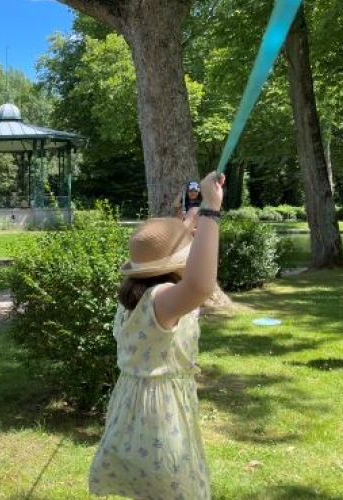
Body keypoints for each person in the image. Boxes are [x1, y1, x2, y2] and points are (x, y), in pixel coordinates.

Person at [89, 171, 225, 500]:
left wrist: (191, 217)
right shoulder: (163, 299)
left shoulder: (137, 295)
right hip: (160, 419)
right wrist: (211, 211)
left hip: (133, 411)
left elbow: (183, 267)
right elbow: (200, 285)